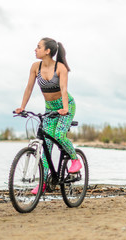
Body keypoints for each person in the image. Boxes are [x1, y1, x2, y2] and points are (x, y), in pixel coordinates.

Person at [15, 37, 81, 194]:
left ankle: (75, 160)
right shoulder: (35, 67)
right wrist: (22, 107)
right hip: (49, 108)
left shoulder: (61, 68)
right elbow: (29, 88)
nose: (35, 49)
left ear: (47, 51)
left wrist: (65, 108)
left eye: (38, 47)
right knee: (46, 147)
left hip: (66, 106)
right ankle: (44, 183)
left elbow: (64, 89)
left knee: (59, 134)